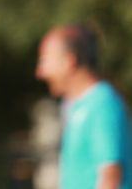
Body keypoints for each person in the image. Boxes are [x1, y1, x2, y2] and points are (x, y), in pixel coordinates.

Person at [36, 24, 132, 189]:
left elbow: (110, 177)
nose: (40, 72)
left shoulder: (102, 104)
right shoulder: (75, 105)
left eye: (45, 60)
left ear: (68, 61)